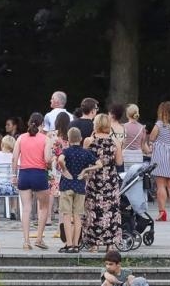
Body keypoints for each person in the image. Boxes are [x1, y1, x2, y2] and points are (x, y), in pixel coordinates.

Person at [80, 113, 123, 252]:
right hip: (110, 178)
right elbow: (119, 162)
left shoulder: (88, 141)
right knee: (110, 210)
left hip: (94, 178)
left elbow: (84, 159)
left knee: (93, 209)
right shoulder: (115, 142)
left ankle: (94, 244)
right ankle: (110, 244)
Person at [15, 114, 52, 249]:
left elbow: (14, 158)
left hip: (24, 174)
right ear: (42, 124)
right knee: (43, 207)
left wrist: (14, 175)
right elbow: (47, 159)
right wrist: (50, 162)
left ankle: (26, 241)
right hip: (39, 173)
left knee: (26, 209)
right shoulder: (45, 139)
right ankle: (39, 238)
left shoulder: (20, 138)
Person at [57, 126, 95, 252]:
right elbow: (99, 164)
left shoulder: (66, 151)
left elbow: (60, 159)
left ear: (68, 139)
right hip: (80, 186)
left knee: (67, 216)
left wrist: (64, 170)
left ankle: (68, 244)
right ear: (80, 138)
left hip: (66, 185)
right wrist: (85, 170)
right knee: (78, 216)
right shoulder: (85, 152)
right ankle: (76, 244)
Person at [119, 103, 150, 219]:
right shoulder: (142, 128)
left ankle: (126, 202)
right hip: (137, 156)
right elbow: (143, 146)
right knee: (136, 182)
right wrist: (150, 151)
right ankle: (136, 204)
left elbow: (121, 143)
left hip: (125, 155)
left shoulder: (123, 127)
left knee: (125, 180)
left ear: (127, 114)